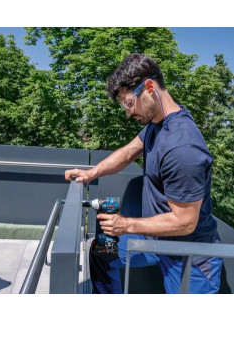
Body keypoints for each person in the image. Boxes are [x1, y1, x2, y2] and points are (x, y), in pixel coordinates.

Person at [65, 53, 223, 294]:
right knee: (101, 252)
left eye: (129, 103)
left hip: (190, 257)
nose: (128, 113)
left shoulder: (183, 147)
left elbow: (185, 222)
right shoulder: (157, 124)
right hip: (154, 241)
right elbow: (128, 153)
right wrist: (91, 173)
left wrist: (126, 225)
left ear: (149, 87)